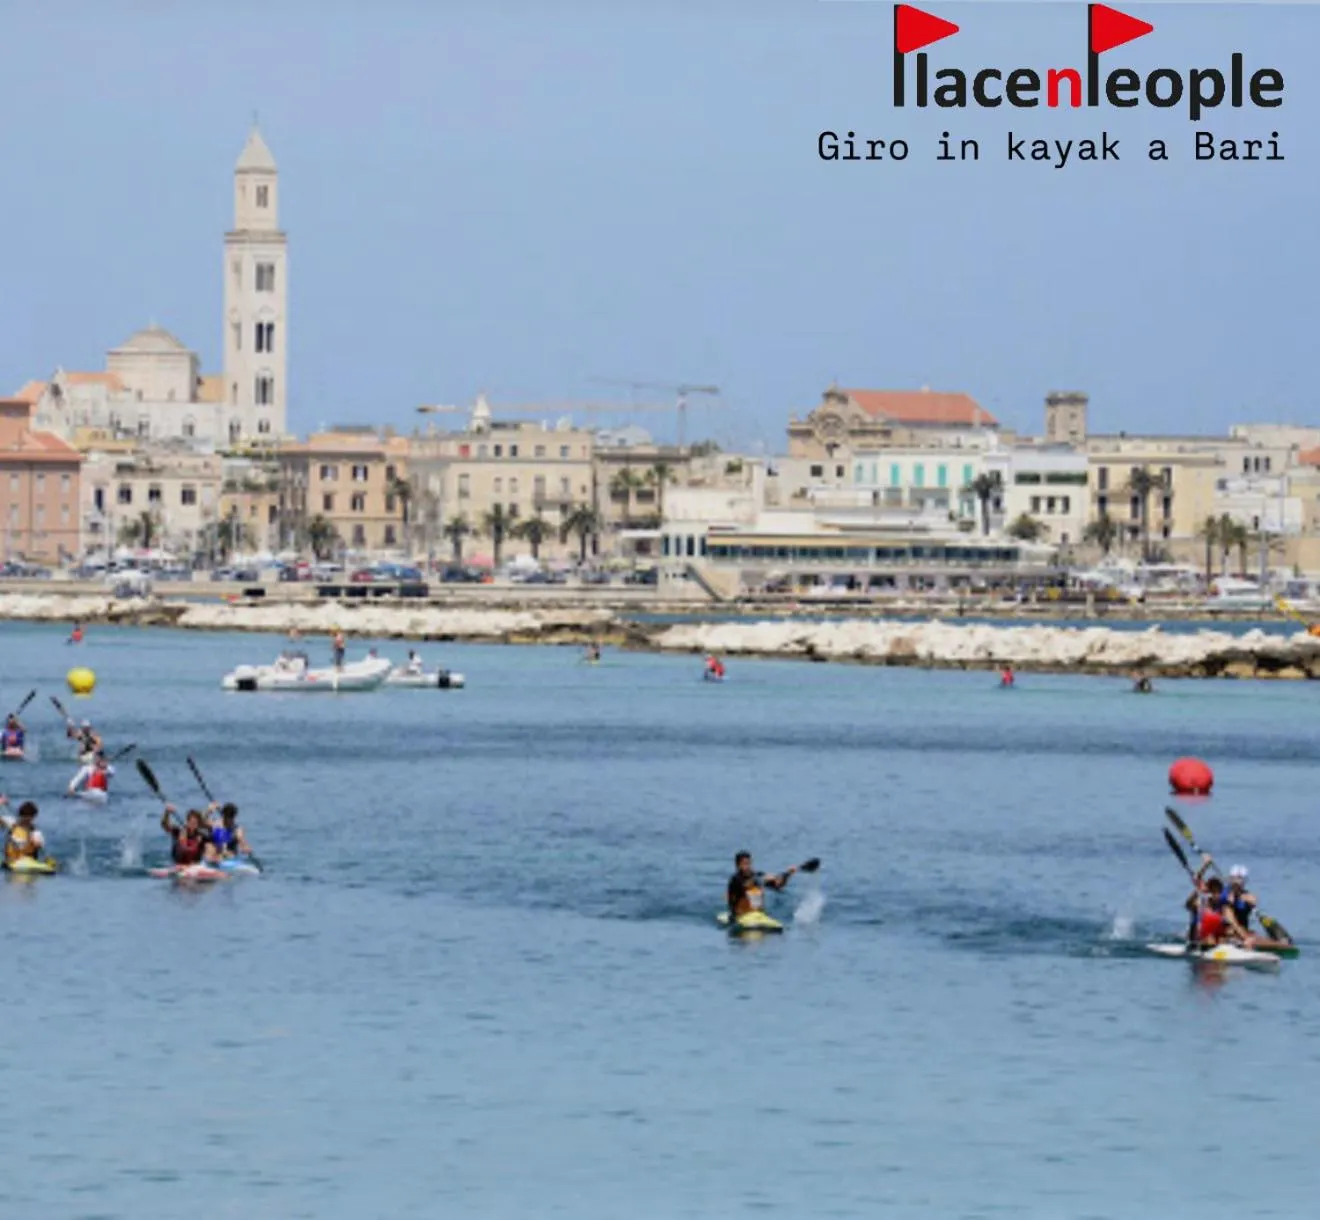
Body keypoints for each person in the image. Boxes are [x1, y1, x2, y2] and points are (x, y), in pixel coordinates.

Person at [727, 851, 801, 921]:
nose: (748, 866)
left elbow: (778, 885)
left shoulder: (757, 875)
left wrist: (788, 874)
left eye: (749, 863)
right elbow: (746, 884)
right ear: (738, 866)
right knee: (752, 888)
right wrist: (761, 879)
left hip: (758, 915)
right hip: (739, 915)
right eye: (745, 864)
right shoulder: (735, 880)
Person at [1185, 875, 1247, 946]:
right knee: (1210, 939)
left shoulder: (1224, 906)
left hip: (1214, 935)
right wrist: (1197, 890)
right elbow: (1188, 904)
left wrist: (1245, 938)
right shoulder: (1200, 903)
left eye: (1218, 891)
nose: (1216, 894)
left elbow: (1235, 924)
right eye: (1213, 891)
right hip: (1196, 936)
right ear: (1209, 892)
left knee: (1232, 931)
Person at [0, 798, 45, 865]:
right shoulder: (12, 823)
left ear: (33, 817)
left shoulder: (35, 832)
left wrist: (36, 843)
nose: (27, 819)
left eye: (29, 817)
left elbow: (39, 845)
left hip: (29, 862)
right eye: (24, 816)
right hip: (11, 860)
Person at [1224, 865, 1258, 938]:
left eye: (1240, 878)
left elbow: (1254, 901)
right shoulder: (1225, 892)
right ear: (1230, 879)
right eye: (1234, 878)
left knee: (1254, 934)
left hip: (1243, 929)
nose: (1237, 881)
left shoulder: (1247, 895)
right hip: (1229, 931)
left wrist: (1240, 897)